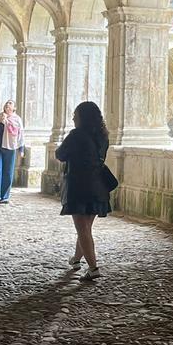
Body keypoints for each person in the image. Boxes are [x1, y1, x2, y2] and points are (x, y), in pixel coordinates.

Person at [55, 101, 112, 281]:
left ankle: (93, 268)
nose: (73, 117)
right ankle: (76, 259)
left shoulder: (76, 135)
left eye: (75, 114)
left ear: (82, 117)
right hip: (98, 186)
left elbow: (60, 154)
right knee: (85, 228)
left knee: (83, 229)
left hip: (79, 186)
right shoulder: (103, 136)